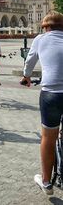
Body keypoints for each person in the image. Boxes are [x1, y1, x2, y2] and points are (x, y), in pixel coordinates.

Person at [21, 11, 63, 195]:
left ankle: (46, 182)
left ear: (46, 27)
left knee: (48, 137)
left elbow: (30, 61)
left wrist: (26, 77)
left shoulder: (40, 39)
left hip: (51, 94)